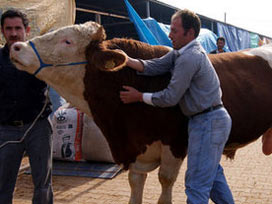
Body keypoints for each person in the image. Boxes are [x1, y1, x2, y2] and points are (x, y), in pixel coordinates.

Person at [120, 9, 234, 204]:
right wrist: (128, 60)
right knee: (213, 178)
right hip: (208, 121)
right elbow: (156, 66)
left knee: (196, 184)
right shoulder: (180, 53)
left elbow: (171, 97)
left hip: (208, 122)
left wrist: (139, 96)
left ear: (189, 33)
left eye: (174, 30)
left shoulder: (190, 57)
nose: (169, 35)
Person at [0, 9, 53, 203]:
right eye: (8, 29)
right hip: (6, 129)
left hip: (38, 126)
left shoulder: (41, 57)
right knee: (2, 185)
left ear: (27, 30)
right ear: (2, 31)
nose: (13, 33)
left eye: (17, 28)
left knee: (42, 185)